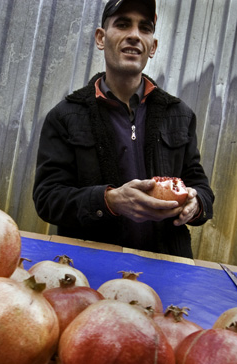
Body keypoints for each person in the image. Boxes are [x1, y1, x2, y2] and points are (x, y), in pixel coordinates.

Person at [32, 0, 214, 258]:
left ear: (153, 47)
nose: (134, 35)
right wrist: (109, 201)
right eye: (123, 24)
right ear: (100, 38)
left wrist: (196, 204)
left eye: (145, 28)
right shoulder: (65, 116)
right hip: (91, 269)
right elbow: (47, 199)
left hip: (166, 268)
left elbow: (200, 186)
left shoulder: (179, 114)